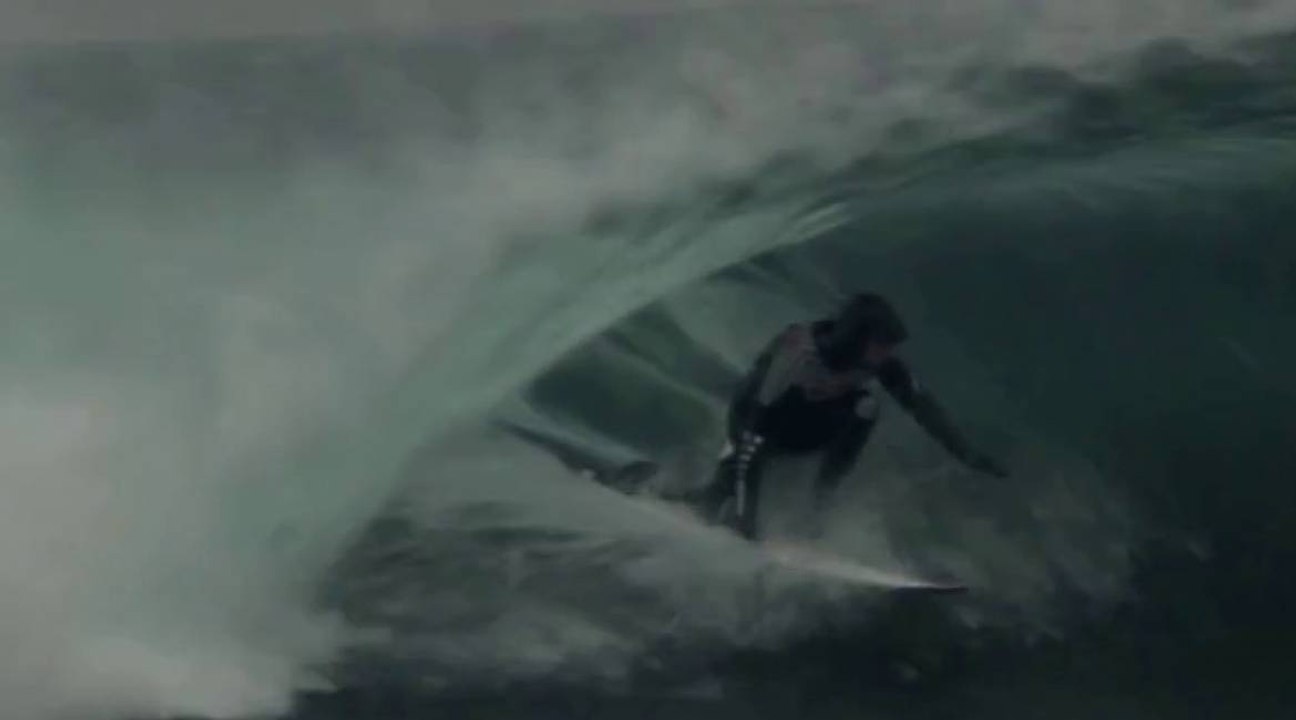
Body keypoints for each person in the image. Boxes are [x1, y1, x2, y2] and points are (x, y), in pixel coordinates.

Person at [690, 292, 1007, 540]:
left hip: (803, 432)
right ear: (857, 336)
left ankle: (818, 505)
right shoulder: (798, 355)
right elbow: (751, 433)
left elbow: (923, 407)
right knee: (716, 496)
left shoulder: (878, 364)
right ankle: (668, 493)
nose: (886, 355)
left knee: (866, 407)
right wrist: (746, 522)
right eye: (881, 345)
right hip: (753, 428)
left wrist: (967, 454)